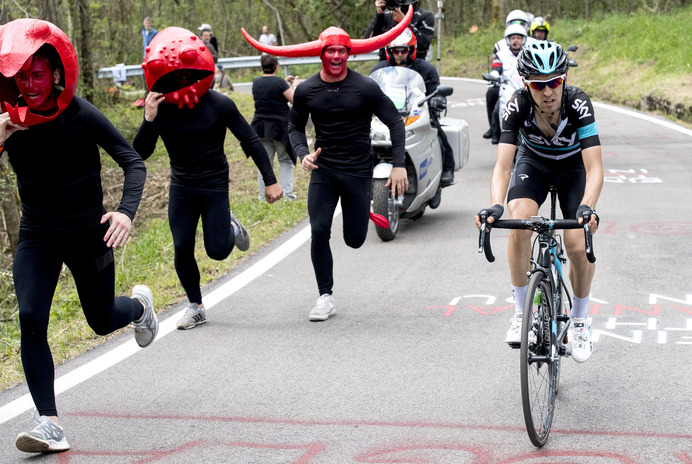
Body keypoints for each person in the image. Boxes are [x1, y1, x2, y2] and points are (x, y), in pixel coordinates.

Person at [0, 19, 158, 453]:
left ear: (54, 74)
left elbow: (133, 161)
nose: (29, 85)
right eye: (22, 76)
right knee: (31, 317)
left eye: (37, 74)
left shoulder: (80, 114)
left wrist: (125, 214)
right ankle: (49, 422)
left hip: (89, 233)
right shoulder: (8, 117)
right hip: (37, 234)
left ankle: (140, 306)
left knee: (101, 319)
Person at [242, 10, 412, 321]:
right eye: (330, 50)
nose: (336, 56)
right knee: (319, 230)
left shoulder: (365, 87)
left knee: (355, 239)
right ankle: (325, 296)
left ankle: (365, 208)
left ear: (349, 54)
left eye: (341, 51)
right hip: (324, 171)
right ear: (321, 54)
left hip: (359, 171)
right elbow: (294, 127)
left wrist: (399, 165)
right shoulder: (306, 90)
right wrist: (301, 152)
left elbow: (395, 124)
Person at [134, 27, 283, 330]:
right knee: (181, 246)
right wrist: (148, 119)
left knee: (217, 250)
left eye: (188, 75)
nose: (182, 81)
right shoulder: (160, 108)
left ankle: (230, 224)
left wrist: (270, 180)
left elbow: (251, 140)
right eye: (177, 76)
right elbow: (140, 153)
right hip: (182, 185)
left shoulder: (218, 103)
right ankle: (195, 305)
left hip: (214, 184)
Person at [475, 41, 603, 363]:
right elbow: (503, 166)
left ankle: (580, 319)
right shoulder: (516, 105)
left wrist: (587, 207)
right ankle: (521, 312)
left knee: (576, 244)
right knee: (519, 222)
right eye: (539, 84)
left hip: (574, 169)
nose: (548, 92)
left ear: (564, 79)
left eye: (555, 82)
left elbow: (595, 168)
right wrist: (495, 206)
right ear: (525, 85)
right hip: (534, 162)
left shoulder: (578, 104)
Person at [370, 28, 455, 186]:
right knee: (364, 139)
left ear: (411, 50)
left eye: (404, 49)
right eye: (396, 50)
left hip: (417, 113)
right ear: (390, 51)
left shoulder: (426, 69)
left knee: (437, 135)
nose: (400, 54)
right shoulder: (379, 70)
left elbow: (436, 90)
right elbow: (369, 91)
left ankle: (446, 169)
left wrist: (437, 100)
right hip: (385, 117)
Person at [251, 54, 297, 201]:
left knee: (265, 163)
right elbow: (294, 100)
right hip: (279, 129)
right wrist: (294, 86)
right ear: (276, 67)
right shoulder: (279, 83)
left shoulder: (256, 82)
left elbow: (269, 92)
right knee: (285, 160)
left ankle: (263, 197)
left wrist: (283, 84)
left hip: (261, 128)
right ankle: (286, 195)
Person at [483, 9, 530, 140]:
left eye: (519, 38)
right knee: (497, 109)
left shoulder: (529, 51)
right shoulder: (500, 51)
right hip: (506, 88)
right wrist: (494, 74)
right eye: (513, 38)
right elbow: (496, 66)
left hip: (526, 87)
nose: (516, 41)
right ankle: (496, 132)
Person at [365, 0, 434, 61]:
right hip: (387, 65)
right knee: (373, 71)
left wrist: (405, 23)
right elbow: (368, 41)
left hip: (415, 65)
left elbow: (424, 45)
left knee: (430, 70)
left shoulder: (425, 16)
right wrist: (379, 14)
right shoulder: (386, 15)